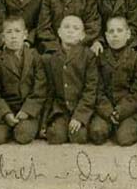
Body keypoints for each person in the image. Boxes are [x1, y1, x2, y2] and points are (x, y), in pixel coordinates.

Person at [0, 14, 47, 146]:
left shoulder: (34, 56)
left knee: (23, 135)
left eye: (17, 31)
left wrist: (27, 111)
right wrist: (5, 113)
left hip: (27, 110)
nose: (13, 36)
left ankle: (20, 127)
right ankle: (7, 125)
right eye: (9, 32)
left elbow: (40, 89)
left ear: (25, 35)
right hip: (7, 108)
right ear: (3, 37)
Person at [89, 15, 137, 146]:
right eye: (111, 32)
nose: (115, 35)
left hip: (128, 109)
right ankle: (110, 125)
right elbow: (97, 89)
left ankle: (131, 126)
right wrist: (108, 112)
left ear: (128, 34)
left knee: (124, 139)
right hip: (106, 109)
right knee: (97, 134)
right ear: (106, 36)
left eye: (119, 31)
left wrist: (121, 111)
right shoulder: (100, 57)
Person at [42, 14, 100, 144]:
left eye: (75, 28)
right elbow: (49, 92)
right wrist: (44, 123)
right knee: (55, 136)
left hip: (81, 108)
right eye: (66, 27)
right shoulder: (52, 57)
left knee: (78, 137)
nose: (70, 30)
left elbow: (90, 89)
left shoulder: (88, 56)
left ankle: (82, 124)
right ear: (59, 32)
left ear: (82, 35)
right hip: (61, 109)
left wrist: (80, 116)